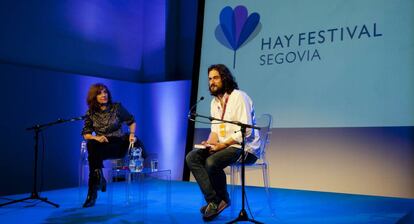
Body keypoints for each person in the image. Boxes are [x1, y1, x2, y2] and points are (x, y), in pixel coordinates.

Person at [186, 64, 260, 221]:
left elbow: (246, 131)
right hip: (224, 146)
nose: (212, 82)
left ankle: (222, 200)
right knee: (192, 157)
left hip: (245, 148)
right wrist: (209, 143)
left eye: (216, 78)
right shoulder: (214, 103)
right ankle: (214, 200)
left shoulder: (239, 97)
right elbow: (215, 131)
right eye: (210, 79)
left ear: (225, 78)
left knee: (212, 162)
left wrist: (222, 145)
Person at [81, 83, 138, 208]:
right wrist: (97, 137)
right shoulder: (91, 112)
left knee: (93, 155)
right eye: (100, 93)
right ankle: (97, 180)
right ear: (94, 97)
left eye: (105, 92)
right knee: (91, 144)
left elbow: (131, 121)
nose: (103, 95)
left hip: (117, 143)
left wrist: (132, 133)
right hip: (101, 145)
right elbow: (86, 133)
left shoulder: (116, 107)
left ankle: (93, 192)